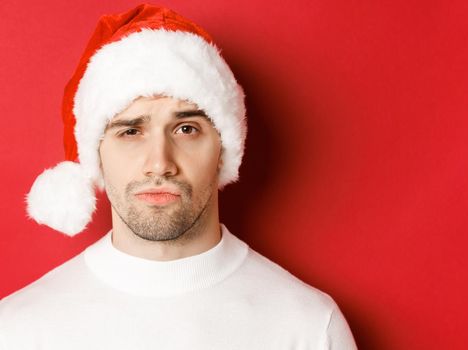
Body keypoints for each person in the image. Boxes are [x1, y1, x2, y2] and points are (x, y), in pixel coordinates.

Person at [0, 4, 357, 349]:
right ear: (96, 153)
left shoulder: (308, 327)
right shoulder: (19, 330)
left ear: (225, 148)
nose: (159, 163)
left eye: (186, 129)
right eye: (130, 132)